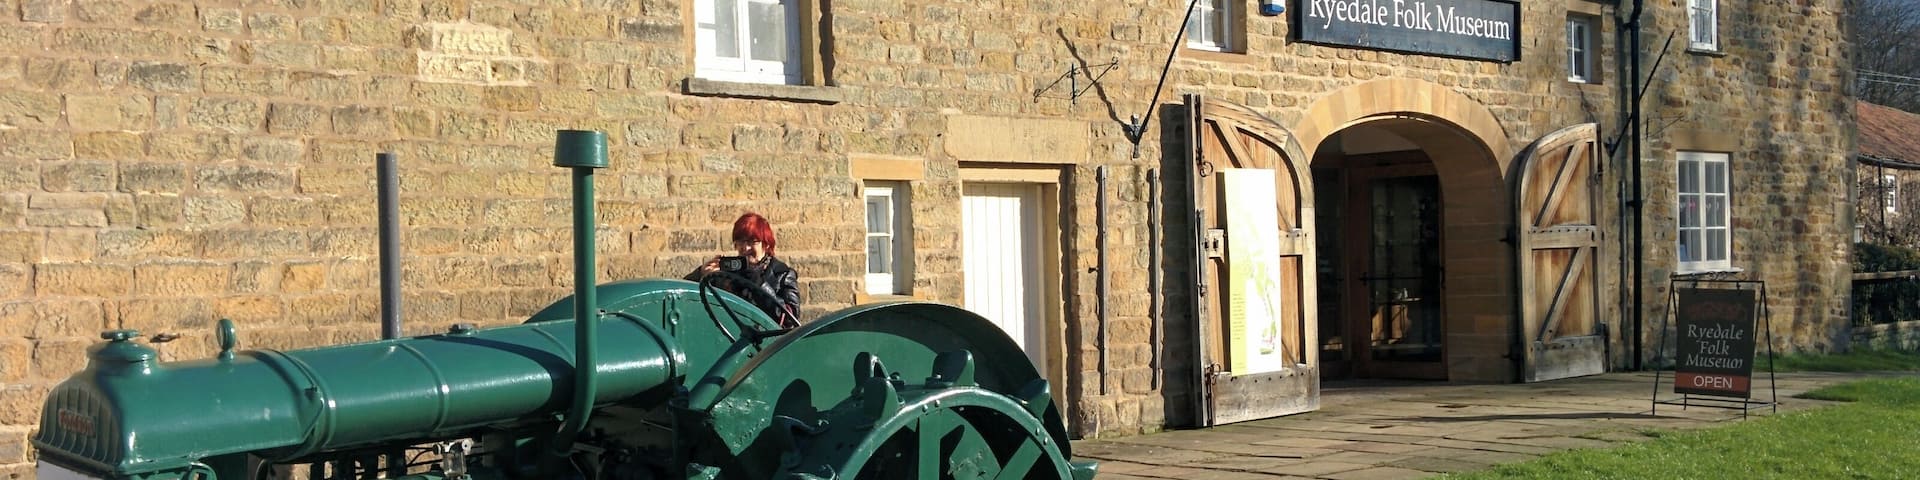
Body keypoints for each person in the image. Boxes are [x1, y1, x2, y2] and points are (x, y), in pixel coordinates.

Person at [686, 212, 801, 328]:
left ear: (766, 244)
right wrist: (702, 274)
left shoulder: (783, 274)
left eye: (752, 241)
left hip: (769, 341)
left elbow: (790, 319)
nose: (745, 248)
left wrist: (759, 284)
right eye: (740, 241)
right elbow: (686, 294)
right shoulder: (728, 272)